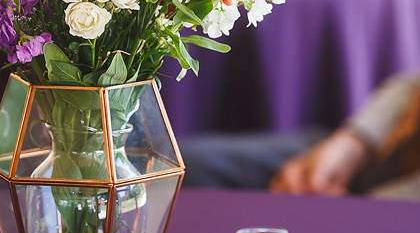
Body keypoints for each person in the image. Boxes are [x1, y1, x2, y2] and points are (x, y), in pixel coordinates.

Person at [180, 72, 420, 201]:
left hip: (399, 212)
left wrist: (360, 211)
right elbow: (411, 83)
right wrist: (349, 145)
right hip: (376, 148)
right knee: (184, 164)